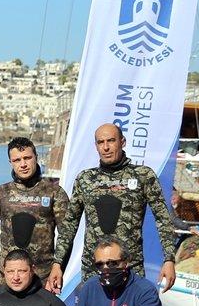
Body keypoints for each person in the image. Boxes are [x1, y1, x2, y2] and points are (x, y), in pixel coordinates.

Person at [50, 123, 177, 291]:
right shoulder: (85, 179)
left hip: (130, 270)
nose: (106, 147)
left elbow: (163, 219)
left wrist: (169, 259)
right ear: (96, 146)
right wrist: (58, 263)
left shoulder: (143, 176)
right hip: (93, 271)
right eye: (101, 142)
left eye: (111, 141)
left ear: (122, 142)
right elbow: (69, 226)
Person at [0, 137, 70, 292]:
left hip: (43, 277)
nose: (23, 164)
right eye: (17, 160)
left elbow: (66, 235)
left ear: (36, 158)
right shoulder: (1, 193)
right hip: (7, 277)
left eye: (27, 158)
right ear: (11, 162)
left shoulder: (54, 192)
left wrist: (58, 267)